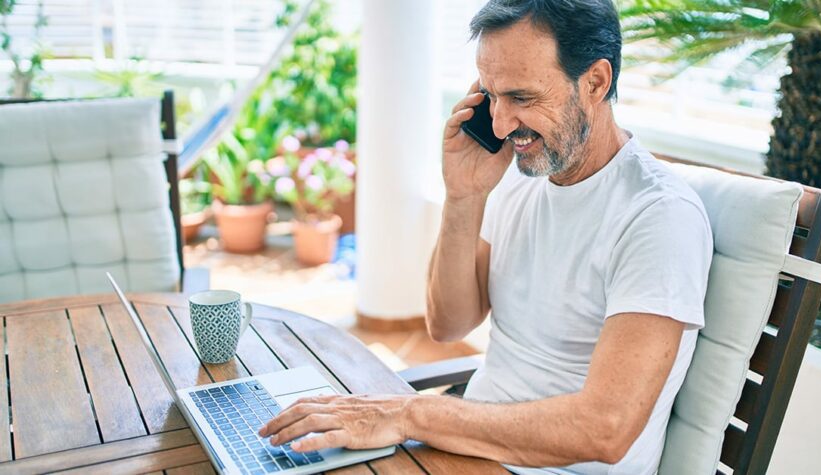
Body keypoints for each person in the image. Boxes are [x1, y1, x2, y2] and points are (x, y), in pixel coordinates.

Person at [259, 1, 713, 473]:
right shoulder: (522, 176)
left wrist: (413, 413)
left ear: (595, 82)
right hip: (467, 448)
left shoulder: (658, 218)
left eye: (522, 98)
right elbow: (448, 325)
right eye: (491, 95)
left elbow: (604, 428)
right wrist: (463, 196)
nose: (498, 124)